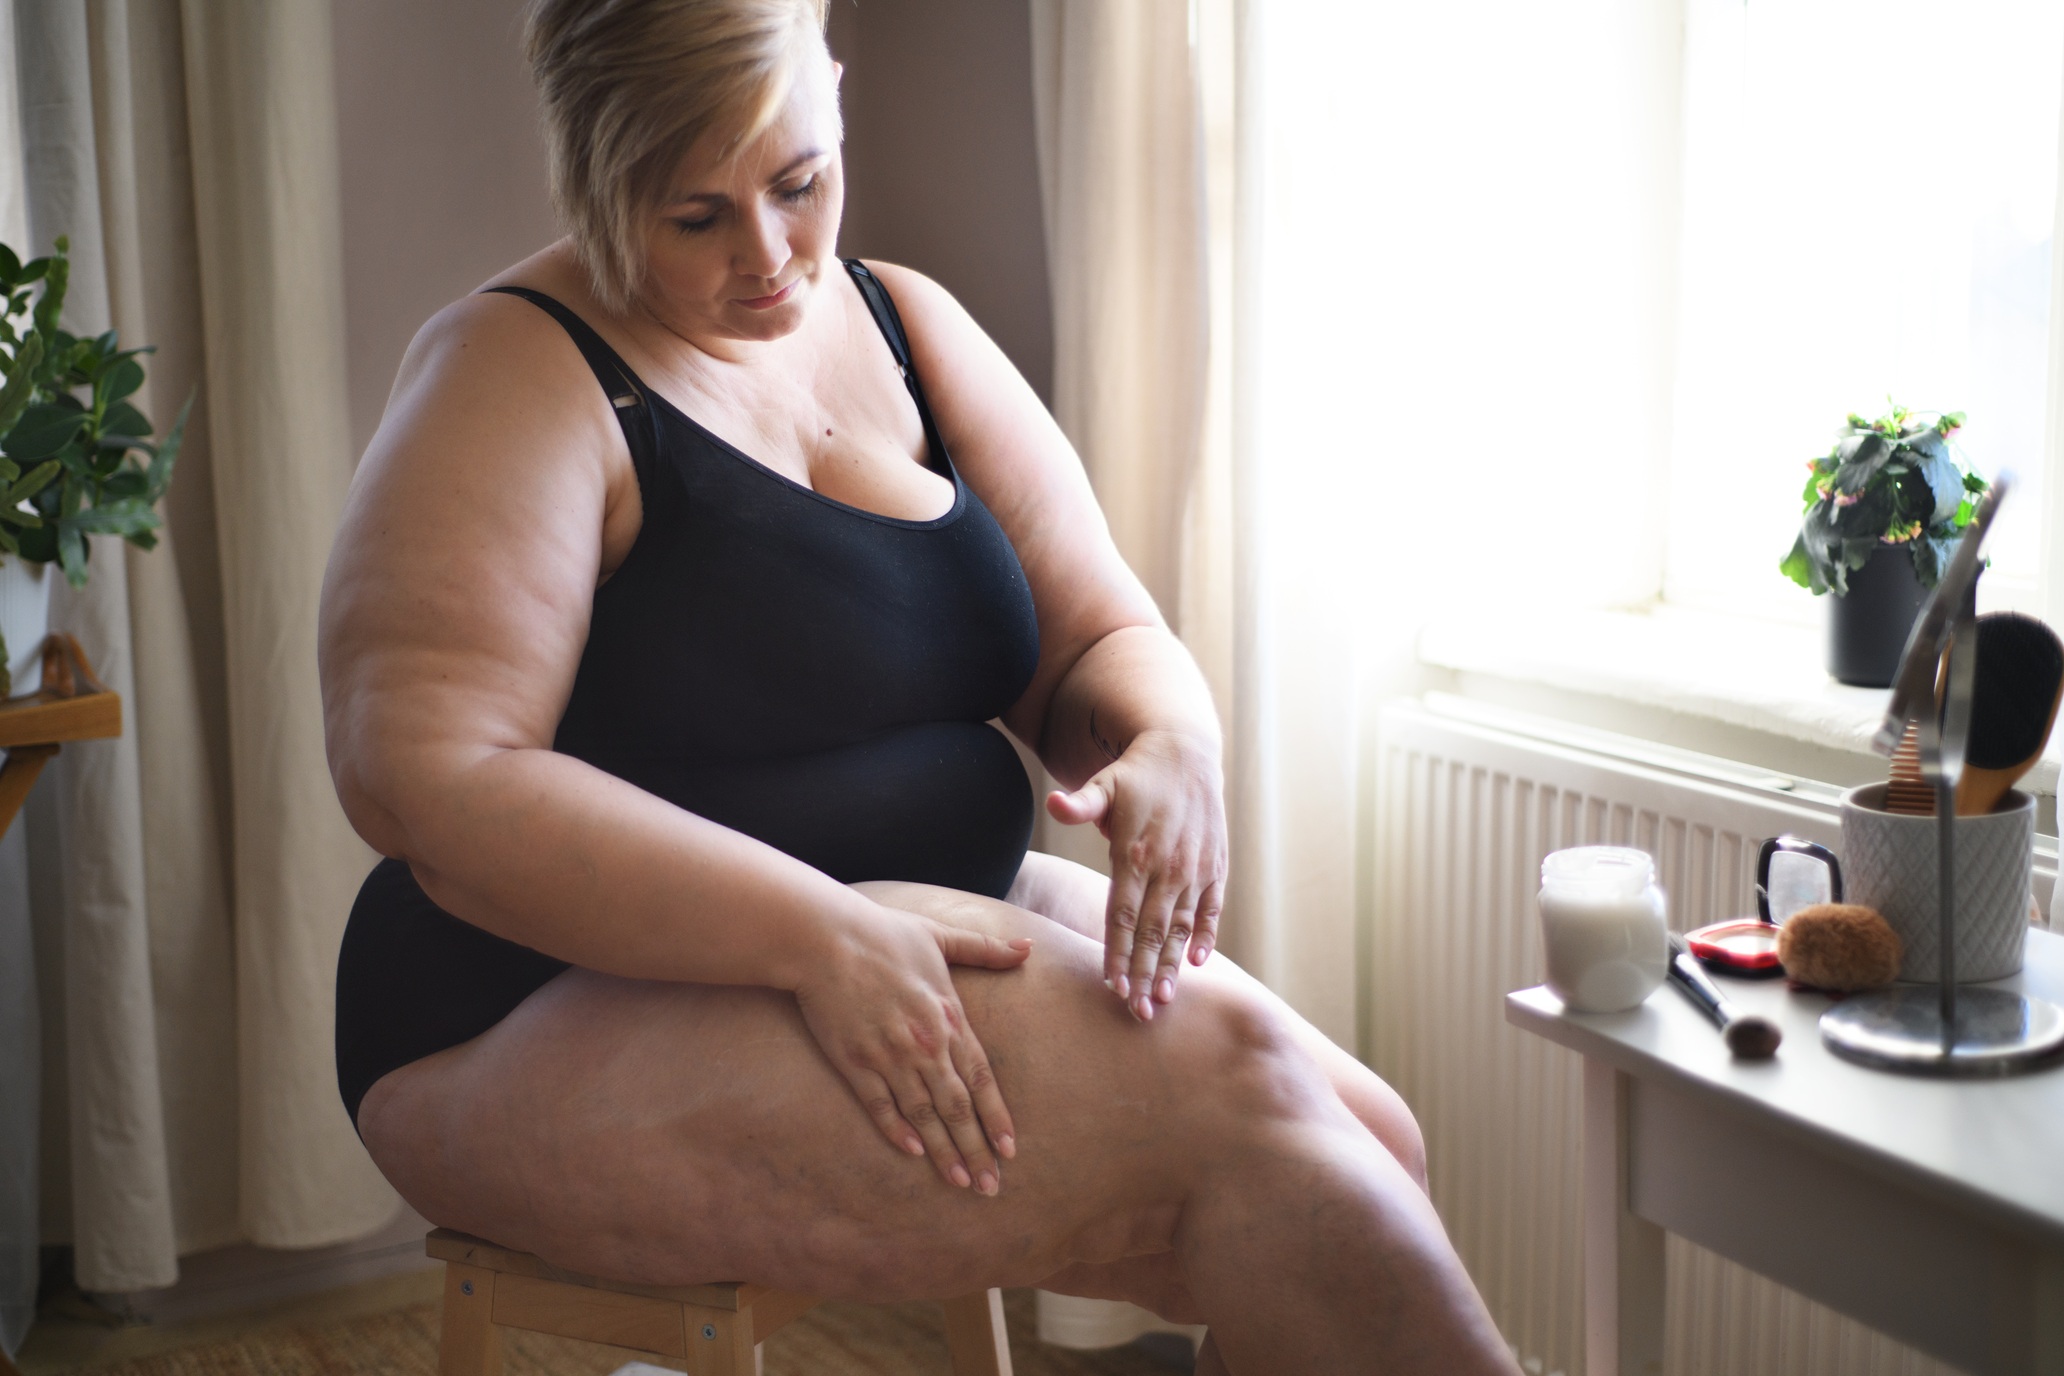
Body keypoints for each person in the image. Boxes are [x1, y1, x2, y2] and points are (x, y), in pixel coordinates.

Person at [318, 1, 1519, 1371]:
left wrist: (1176, 734)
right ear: (590, 179)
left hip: (915, 908)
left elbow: (1091, 638)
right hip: (531, 1003)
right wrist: (816, 935)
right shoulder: (515, 369)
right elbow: (428, 785)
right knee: (1260, 1134)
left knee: (1372, 1145)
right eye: (693, 216)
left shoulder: (902, 323)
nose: (770, 257)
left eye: (797, 182)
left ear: (834, 97)